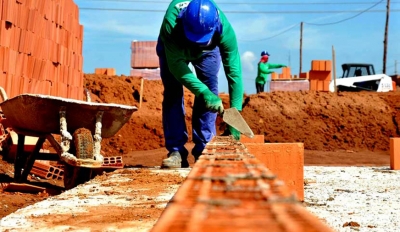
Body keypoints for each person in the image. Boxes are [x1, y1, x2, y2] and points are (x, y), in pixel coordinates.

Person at [156, 0, 244, 169]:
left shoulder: (224, 30)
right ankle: (176, 152)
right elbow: (177, 68)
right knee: (173, 93)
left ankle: (204, 149)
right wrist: (203, 92)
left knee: (210, 90)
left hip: (208, 52)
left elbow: (234, 72)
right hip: (173, 47)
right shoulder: (171, 23)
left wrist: (235, 114)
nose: (196, 44)